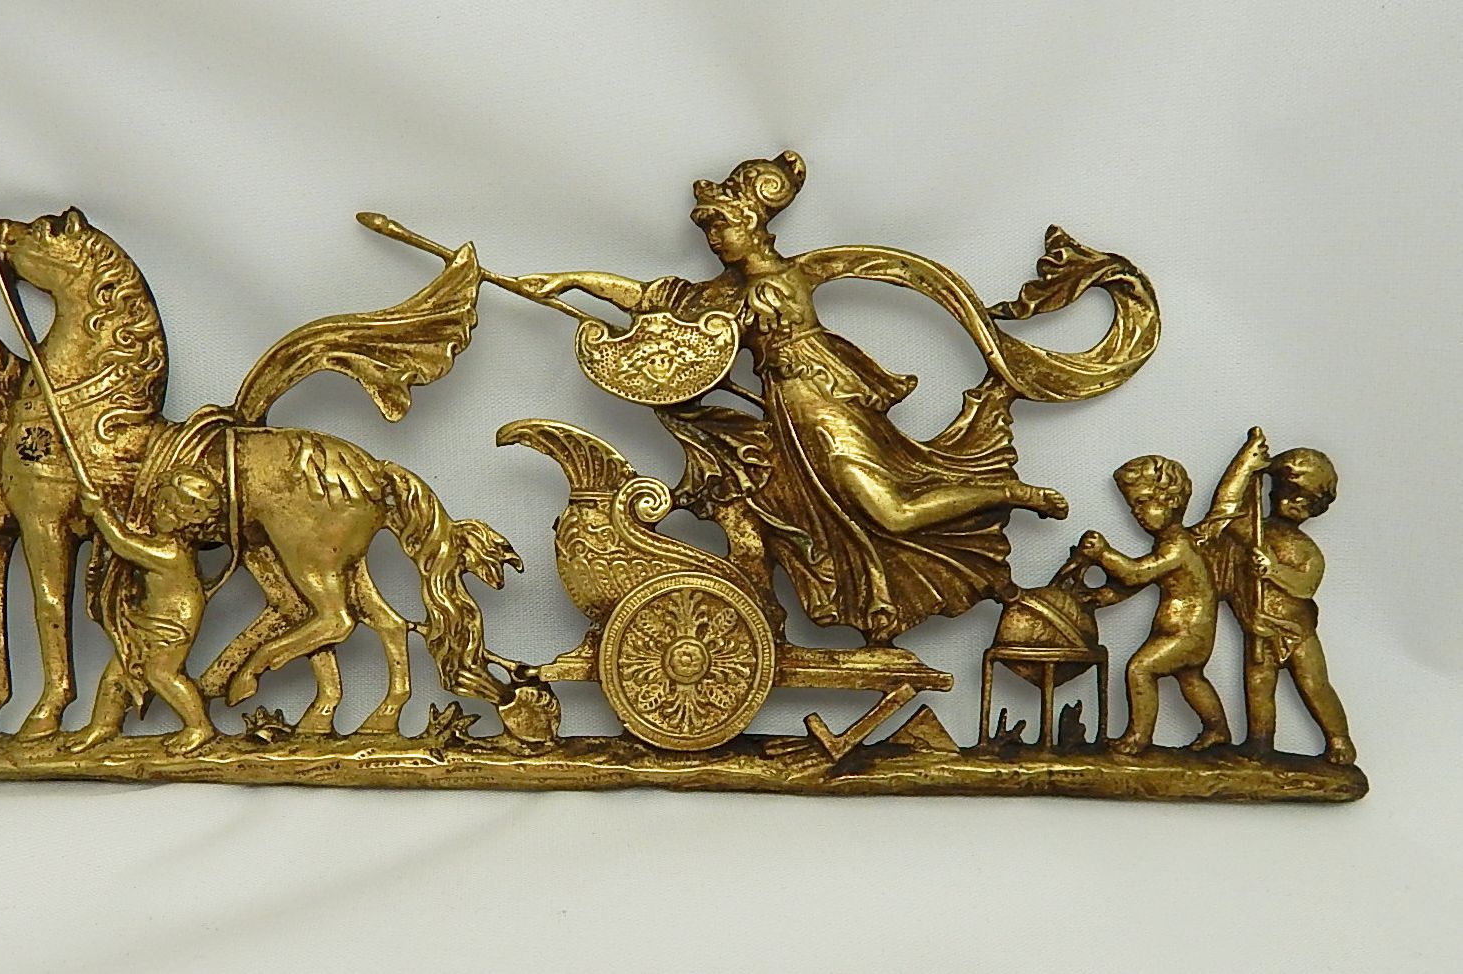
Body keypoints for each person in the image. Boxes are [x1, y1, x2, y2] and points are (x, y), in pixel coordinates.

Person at [517, 152, 1068, 642]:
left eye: (722, 226)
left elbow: (901, 273)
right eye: (708, 231)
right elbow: (649, 297)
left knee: (893, 513)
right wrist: (570, 281)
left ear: (752, 222)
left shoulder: (792, 277)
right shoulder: (725, 291)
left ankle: (1006, 491)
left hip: (829, 409)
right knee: (824, 517)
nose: (714, 240)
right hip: (791, 423)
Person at [1200, 441, 1354, 765]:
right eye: (1289, 492)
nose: (1295, 503)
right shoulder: (1254, 531)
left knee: (1313, 685)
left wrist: (1273, 570)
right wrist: (1246, 465)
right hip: (1259, 626)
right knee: (1258, 685)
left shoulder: (1307, 549)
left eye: (1306, 500)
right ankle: (1259, 744)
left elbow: (1305, 586)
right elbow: (1223, 514)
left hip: (1297, 632)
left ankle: (1339, 739)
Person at [1080, 454, 1232, 755]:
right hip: (1182, 633)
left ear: (1171, 501)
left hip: (1188, 635)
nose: (1136, 512)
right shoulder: (1168, 545)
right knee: (1191, 679)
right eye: (1132, 505)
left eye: (1142, 502)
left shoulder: (1178, 547)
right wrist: (1105, 596)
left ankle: (1138, 738)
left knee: (1140, 669)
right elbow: (1142, 580)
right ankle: (1217, 730)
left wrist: (1103, 554)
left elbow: (1136, 574)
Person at [65, 468, 222, 755]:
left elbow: (122, 544)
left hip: (172, 622)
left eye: (165, 506)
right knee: (118, 671)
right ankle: (103, 725)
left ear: (183, 520)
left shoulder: (169, 554)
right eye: (158, 502)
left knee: (160, 673)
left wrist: (99, 512)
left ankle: (199, 726)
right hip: (149, 617)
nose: (156, 510)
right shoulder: (162, 546)